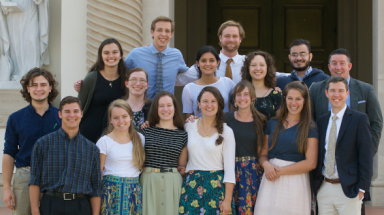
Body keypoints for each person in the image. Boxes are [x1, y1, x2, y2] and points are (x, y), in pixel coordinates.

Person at [309, 48, 383, 215]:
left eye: (342, 63)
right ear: (329, 66)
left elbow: (376, 123)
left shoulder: (365, 89)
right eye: (334, 63)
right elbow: (311, 125)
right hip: (325, 183)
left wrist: (364, 155)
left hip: (351, 179)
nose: (338, 67)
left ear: (349, 66)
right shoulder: (316, 90)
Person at [29, 96, 102, 215]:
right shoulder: (43, 144)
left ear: (81, 114)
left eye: (76, 111)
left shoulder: (91, 149)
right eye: (67, 111)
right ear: (60, 114)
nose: (71, 115)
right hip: (51, 204)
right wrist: (35, 211)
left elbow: (96, 186)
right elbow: (34, 181)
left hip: (80, 206)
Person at [2, 67, 61, 215]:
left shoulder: (61, 117)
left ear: (50, 87)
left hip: (54, 177)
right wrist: (7, 188)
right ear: (27, 89)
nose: (38, 89)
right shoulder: (15, 118)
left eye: (43, 84)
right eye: (34, 85)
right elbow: (9, 153)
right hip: (24, 177)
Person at [254, 81, 318, 214]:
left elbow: (311, 163)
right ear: (284, 99)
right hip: (270, 179)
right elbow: (263, 154)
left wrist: (280, 172)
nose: (293, 103)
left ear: (305, 101)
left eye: (298, 99)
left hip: (295, 181)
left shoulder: (310, 127)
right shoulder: (272, 123)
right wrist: (266, 165)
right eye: (290, 98)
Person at [314, 76, 373, 215]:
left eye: (341, 91)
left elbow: (366, 155)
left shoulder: (359, 119)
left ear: (347, 93)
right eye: (332, 90)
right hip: (324, 188)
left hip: (349, 189)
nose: (336, 95)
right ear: (326, 93)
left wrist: (362, 189)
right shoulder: (321, 121)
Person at [175, 20, 288, 86]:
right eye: (227, 36)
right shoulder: (207, 64)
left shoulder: (248, 62)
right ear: (220, 38)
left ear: (240, 39)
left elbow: (274, 75)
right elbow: (178, 79)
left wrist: (300, 76)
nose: (231, 40)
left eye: (235, 36)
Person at [179, 86, 236, 215]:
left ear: (219, 105)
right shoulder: (188, 127)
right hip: (191, 187)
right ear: (198, 104)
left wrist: (227, 200)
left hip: (216, 188)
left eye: (213, 101)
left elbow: (229, 170)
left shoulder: (227, 132)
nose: (209, 105)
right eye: (205, 101)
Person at [140, 91, 188, 215]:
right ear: (155, 109)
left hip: (172, 182)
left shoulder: (183, 135)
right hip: (148, 181)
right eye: (161, 106)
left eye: (169, 105)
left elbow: (181, 167)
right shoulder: (145, 132)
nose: (165, 109)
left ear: (175, 108)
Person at [96, 99, 145, 214]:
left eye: (124, 116)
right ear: (110, 120)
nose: (121, 121)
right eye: (116, 117)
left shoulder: (140, 139)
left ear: (131, 117)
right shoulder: (104, 142)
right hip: (110, 191)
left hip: (133, 191)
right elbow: (98, 173)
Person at [225, 81, 267, 214]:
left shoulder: (261, 120)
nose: (242, 98)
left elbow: (262, 151)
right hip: (230, 170)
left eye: (246, 94)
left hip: (253, 172)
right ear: (234, 98)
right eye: (239, 94)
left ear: (253, 98)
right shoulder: (226, 119)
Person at [124, 16, 189, 99]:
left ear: (171, 34)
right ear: (152, 32)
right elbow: (121, 74)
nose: (163, 34)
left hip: (166, 109)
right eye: (159, 30)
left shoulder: (176, 55)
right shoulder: (136, 54)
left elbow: (188, 75)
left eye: (167, 31)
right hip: (142, 108)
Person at [78, 38, 127, 143]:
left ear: (121, 55)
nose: (111, 56)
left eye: (115, 52)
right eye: (106, 53)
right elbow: (79, 107)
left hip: (116, 135)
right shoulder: (91, 78)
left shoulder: (126, 79)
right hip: (89, 134)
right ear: (101, 56)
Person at [182, 46, 235, 118]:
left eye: (212, 60)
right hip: (199, 128)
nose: (207, 64)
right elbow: (188, 120)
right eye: (203, 61)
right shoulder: (188, 89)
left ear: (218, 62)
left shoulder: (228, 83)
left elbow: (234, 113)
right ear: (197, 63)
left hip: (224, 127)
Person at [241, 51, 282, 119]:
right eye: (253, 65)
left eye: (262, 65)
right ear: (248, 68)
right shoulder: (238, 93)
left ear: (267, 68)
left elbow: (279, 124)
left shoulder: (276, 95)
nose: (257, 68)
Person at [124, 67, 152, 132]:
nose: (138, 84)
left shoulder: (154, 107)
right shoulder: (117, 106)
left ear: (147, 85)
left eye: (142, 80)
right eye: (134, 79)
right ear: (127, 83)